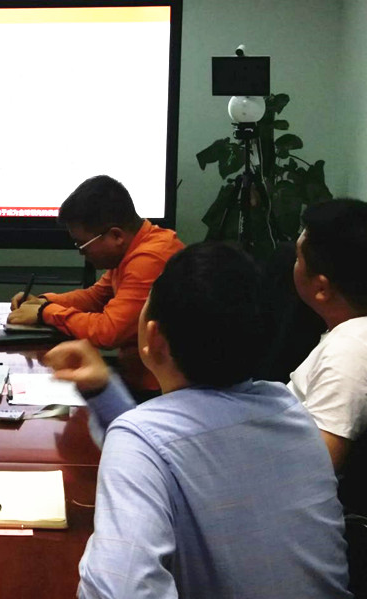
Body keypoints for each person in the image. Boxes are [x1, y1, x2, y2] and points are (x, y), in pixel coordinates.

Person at [43, 242, 351, 598]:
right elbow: (170, 443)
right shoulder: (288, 410)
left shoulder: (141, 439)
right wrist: (102, 390)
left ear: (153, 337)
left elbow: (118, 589)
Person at [7, 175, 183, 397]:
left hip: (159, 390)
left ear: (116, 235)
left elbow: (109, 332)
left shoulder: (149, 258)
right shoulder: (134, 248)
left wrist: (45, 312)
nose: (82, 253)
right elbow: (95, 297)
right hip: (137, 376)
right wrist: (44, 301)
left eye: (83, 245)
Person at [288, 199, 367, 511]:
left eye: (297, 258)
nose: (291, 265)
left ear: (321, 288)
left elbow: (315, 468)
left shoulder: (349, 350)